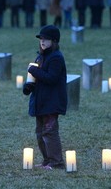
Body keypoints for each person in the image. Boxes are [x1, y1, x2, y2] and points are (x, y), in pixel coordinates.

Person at [23, 25, 67, 170]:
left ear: (54, 41)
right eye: (41, 39)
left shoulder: (56, 58)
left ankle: (56, 162)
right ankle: (47, 160)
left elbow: (52, 78)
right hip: (40, 102)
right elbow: (36, 78)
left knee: (49, 132)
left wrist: (34, 71)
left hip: (51, 102)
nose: (42, 41)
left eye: (46, 39)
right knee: (40, 133)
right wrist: (29, 85)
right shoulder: (40, 56)